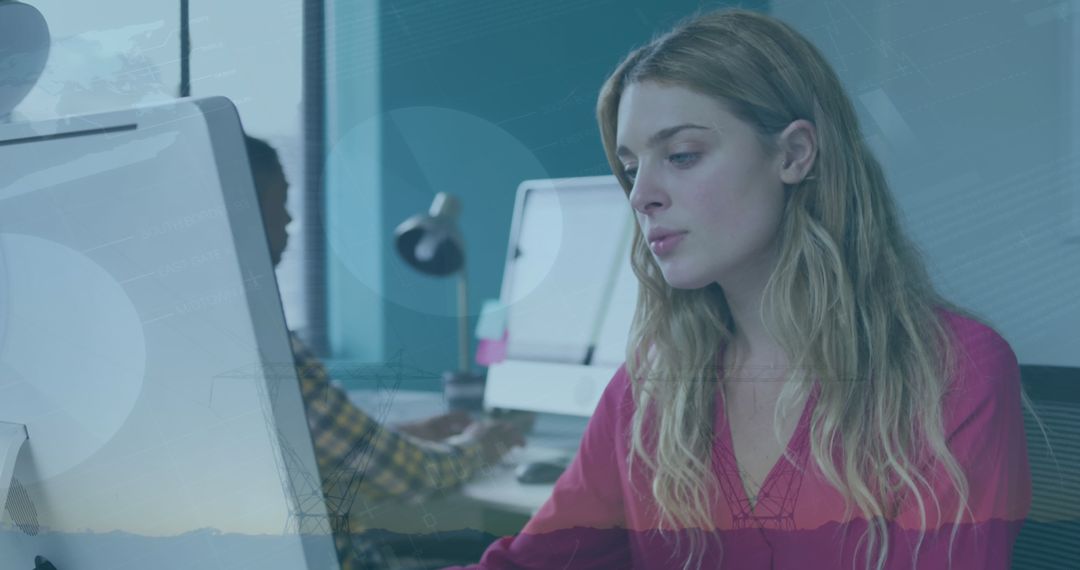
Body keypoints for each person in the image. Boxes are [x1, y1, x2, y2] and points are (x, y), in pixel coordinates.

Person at [446, 8, 1031, 570]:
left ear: (794, 154)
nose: (640, 196)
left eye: (681, 155)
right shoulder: (648, 390)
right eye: (630, 169)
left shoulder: (952, 373)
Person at [244, 135, 525, 569]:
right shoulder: (274, 353)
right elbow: (411, 477)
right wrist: (482, 446)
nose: (289, 218)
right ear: (243, 206)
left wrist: (410, 433)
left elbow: (322, 454)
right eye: (279, 202)